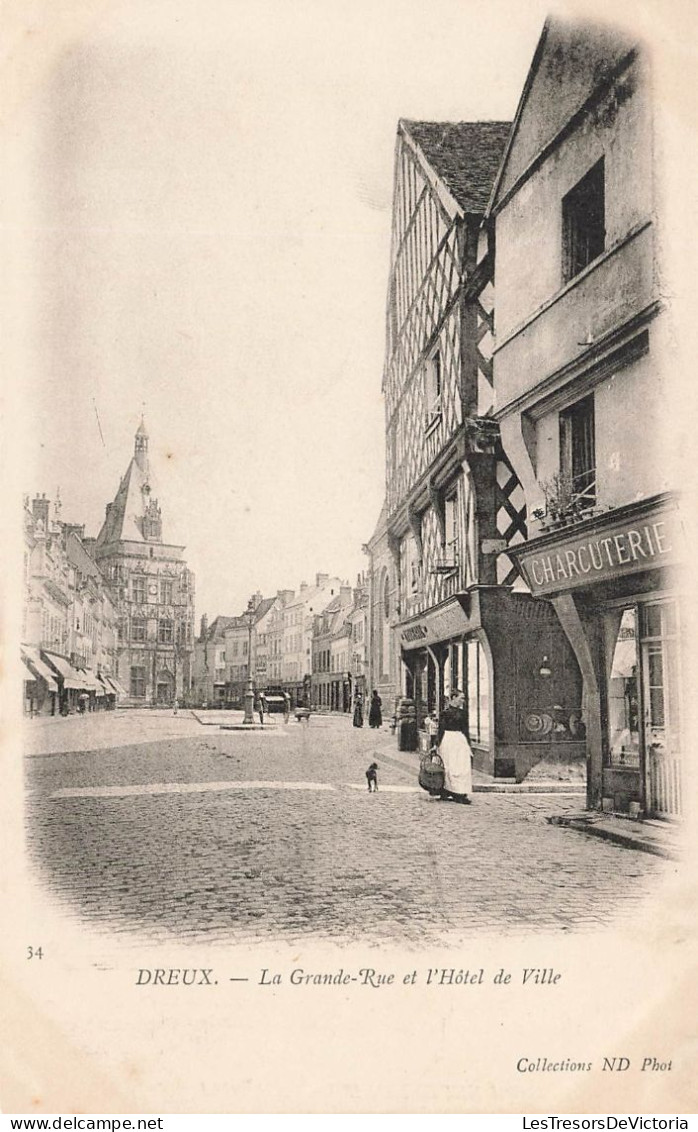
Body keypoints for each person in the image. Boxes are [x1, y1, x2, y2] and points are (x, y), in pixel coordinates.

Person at [435, 689, 473, 804]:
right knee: (448, 766)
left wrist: (468, 745)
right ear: (453, 698)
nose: (463, 701)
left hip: (459, 740)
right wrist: (437, 744)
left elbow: (465, 730)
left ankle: (460, 792)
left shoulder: (463, 713)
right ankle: (447, 790)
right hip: (448, 740)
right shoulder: (444, 713)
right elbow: (440, 730)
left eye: (463, 698)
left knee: (461, 766)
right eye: (461, 698)